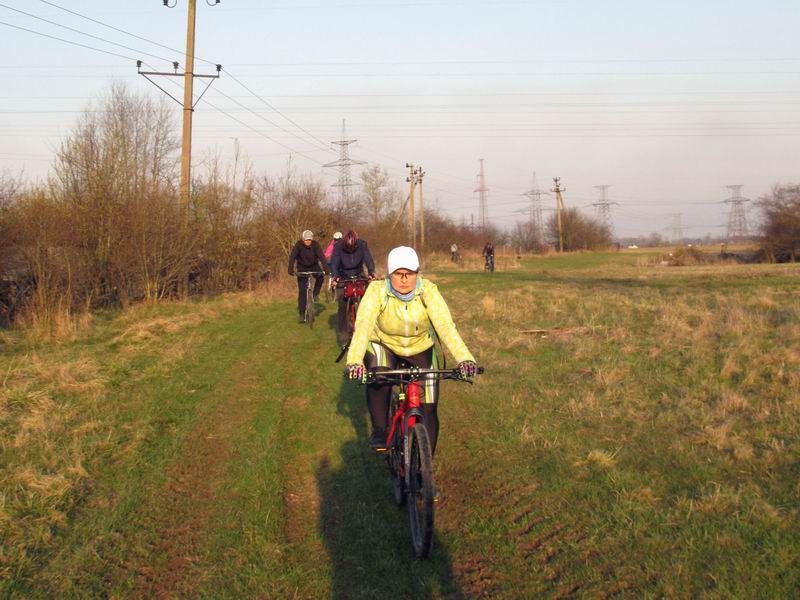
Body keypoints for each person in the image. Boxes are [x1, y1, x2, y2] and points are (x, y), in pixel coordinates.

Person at [344, 246, 478, 453]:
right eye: (398, 274)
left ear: (418, 273)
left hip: (420, 347)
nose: (404, 279)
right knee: (379, 376)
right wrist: (354, 362)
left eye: (410, 274)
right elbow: (363, 326)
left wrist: (465, 359)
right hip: (384, 344)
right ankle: (380, 430)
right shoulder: (377, 291)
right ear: (390, 274)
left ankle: (424, 470)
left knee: (430, 408)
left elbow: (445, 327)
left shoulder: (428, 291)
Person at [330, 230, 376, 346]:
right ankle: (344, 338)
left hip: (359, 273)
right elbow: (334, 263)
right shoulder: (338, 246)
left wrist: (371, 272)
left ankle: (369, 333)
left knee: (367, 303)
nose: (350, 250)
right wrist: (335, 276)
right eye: (347, 249)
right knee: (342, 306)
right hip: (343, 275)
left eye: (352, 248)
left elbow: (368, 260)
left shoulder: (362, 244)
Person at [288, 230, 329, 323]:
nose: (308, 242)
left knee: (320, 276)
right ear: (303, 239)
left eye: (309, 240)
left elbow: (322, 256)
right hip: (302, 268)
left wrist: (326, 269)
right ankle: (302, 314)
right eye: (306, 240)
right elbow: (292, 257)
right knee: (302, 291)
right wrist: (290, 269)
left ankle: (315, 293)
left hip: (314, 266)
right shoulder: (298, 245)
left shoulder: (315, 245)